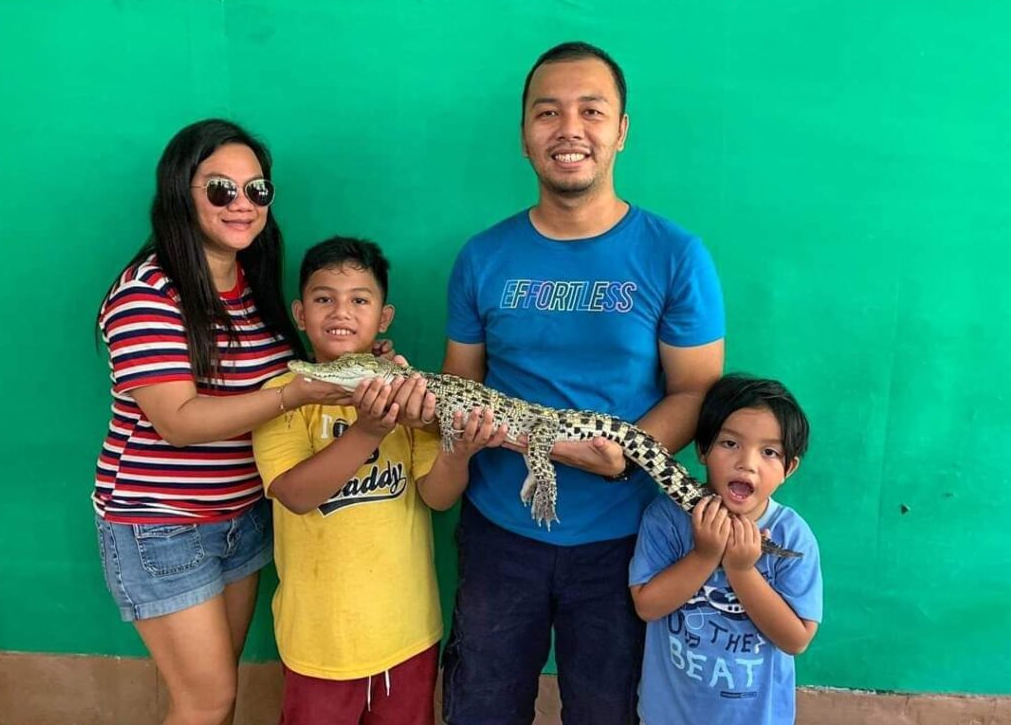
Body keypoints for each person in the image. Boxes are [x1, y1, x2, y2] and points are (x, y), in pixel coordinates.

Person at [441, 41, 726, 724]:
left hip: (628, 540)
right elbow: (457, 389)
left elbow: (696, 391)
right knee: (479, 709)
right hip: (498, 534)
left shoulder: (675, 255)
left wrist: (622, 454)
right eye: (548, 112)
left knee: (606, 712)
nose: (569, 128)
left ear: (621, 129)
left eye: (591, 110)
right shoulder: (482, 257)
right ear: (524, 135)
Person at [93, 119, 395, 725]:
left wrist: (363, 367)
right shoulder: (147, 293)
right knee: (206, 702)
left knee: (217, 695)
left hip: (242, 517)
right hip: (162, 526)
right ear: (181, 192)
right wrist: (301, 395)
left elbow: (293, 368)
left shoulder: (250, 284)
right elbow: (178, 421)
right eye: (220, 189)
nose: (242, 204)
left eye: (256, 190)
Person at [252, 236, 505, 725]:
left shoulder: (410, 394)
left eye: (359, 300)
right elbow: (296, 495)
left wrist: (459, 446)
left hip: (408, 635)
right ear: (300, 314)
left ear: (383, 318)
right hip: (319, 642)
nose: (341, 312)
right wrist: (370, 430)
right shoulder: (282, 395)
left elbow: (437, 496)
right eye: (324, 298)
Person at [629, 374, 823, 725]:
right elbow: (647, 605)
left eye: (769, 452)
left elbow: (796, 639)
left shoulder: (792, 536)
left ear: (788, 468)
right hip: (669, 716)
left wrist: (742, 569)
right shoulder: (666, 519)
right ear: (702, 450)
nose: (746, 463)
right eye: (730, 444)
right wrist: (704, 556)